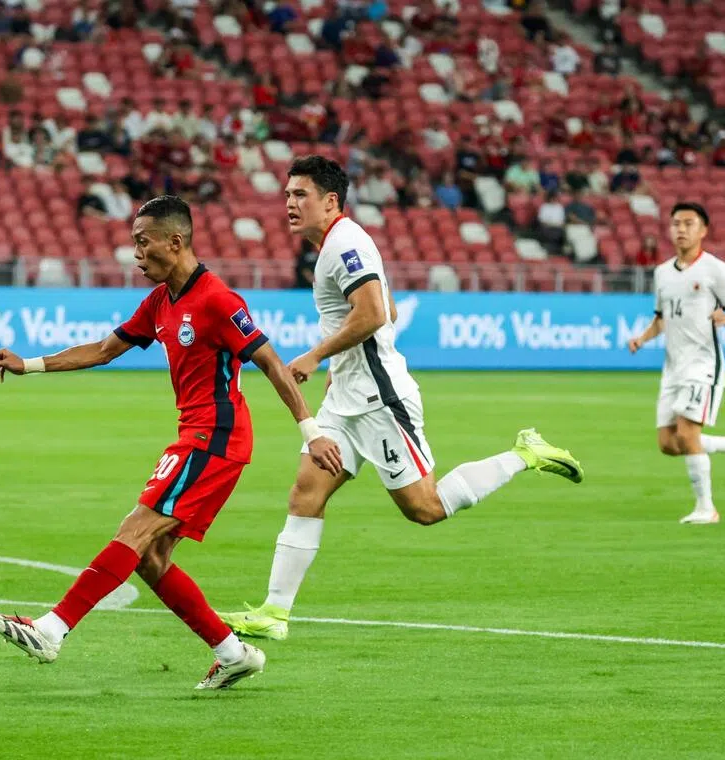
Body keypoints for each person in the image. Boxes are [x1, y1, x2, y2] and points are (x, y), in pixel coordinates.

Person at [0, 196, 344, 688]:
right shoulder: (159, 302)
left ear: (175, 241)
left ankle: (52, 628)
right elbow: (105, 350)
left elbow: (272, 363)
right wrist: (31, 364)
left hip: (215, 438)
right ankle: (234, 653)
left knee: (135, 528)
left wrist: (311, 431)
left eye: (142, 242)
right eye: (133, 243)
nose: (136, 253)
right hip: (195, 435)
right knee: (150, 559)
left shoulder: (218, 300)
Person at [220, 156, 585, 641]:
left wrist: (315, 357)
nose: (288, 203)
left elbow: (372, 314)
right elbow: (387, 306)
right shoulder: (332, 245)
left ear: (330, 201)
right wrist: (342, 366)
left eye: (300, 195)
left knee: (425, 508)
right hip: (346, 399)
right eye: (287, 194)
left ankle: (525, 453)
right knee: (306, 491)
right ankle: (275, 612)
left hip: (380, 401)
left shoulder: (345, 243)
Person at [628, 202, 725, 525]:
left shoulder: (715, 269)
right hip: (673, 367)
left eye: (688, 223)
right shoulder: (663, 273)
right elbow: (660, 319)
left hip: (703, 365)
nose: (681, 229)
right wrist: (641, 339)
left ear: (703, 230)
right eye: (676, 224)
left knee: (686, 432)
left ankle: (706, 508)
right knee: (668, 444)